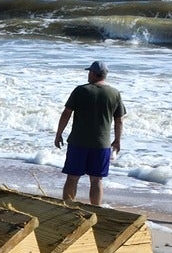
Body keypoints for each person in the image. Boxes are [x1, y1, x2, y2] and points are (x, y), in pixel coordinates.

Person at [53, 60, 124, 207]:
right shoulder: (114, 93)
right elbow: (119, 120)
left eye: (89, 72)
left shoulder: (81, 90)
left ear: (93, 73)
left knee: (72, 178)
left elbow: (66, 113)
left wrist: (59, 133)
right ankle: (96, 210)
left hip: (78, 142)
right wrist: (117, 140)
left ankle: (67, 208)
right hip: (101, 144)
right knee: (96, 180)